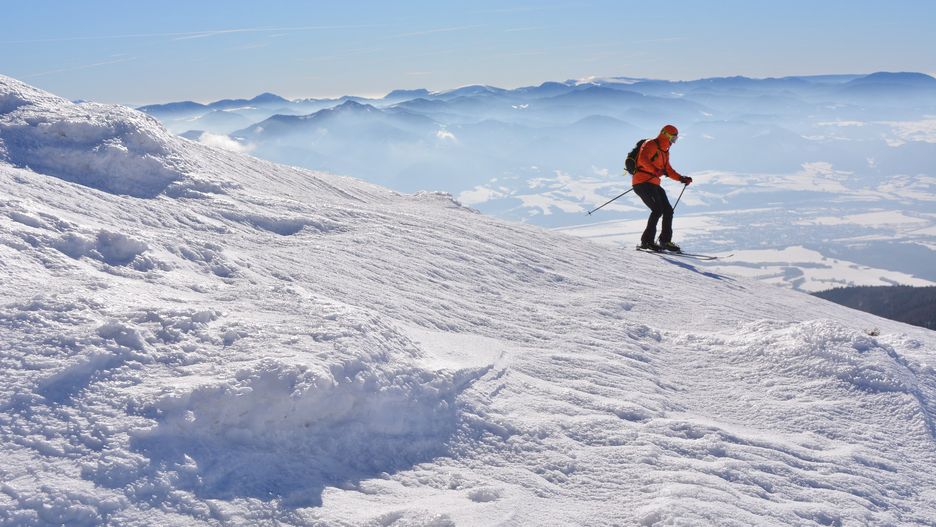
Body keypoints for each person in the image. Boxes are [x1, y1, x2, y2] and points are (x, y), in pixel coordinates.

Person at [632, 124, 692, 252]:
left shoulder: (665, 151)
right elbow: (642, 159)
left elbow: (668, 170)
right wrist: (655, 170)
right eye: (673, 138)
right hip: (642, 182)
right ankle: (646, 242)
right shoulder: (650, 144)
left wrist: (681, 178)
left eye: (675, 139)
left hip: (653, 183)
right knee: (657, 210)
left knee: (668, 210)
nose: (674, 142)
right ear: (666, 135)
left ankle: (665, 241)